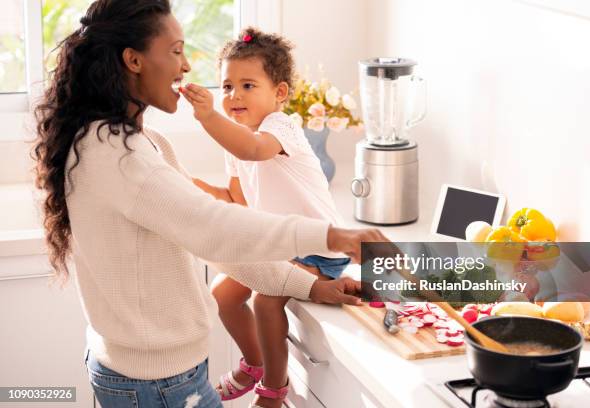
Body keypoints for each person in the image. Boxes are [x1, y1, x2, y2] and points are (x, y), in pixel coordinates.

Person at [31, 1, 387, 407]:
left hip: (158, 378)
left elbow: (215, 237)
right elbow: (217, 228)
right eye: (176, 51)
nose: (185, 67)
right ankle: (271, 382)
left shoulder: (138, 143)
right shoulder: (120, 156)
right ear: (133, 60)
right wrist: (334, 235)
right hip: (156, 385)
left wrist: (312, 286)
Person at [180, 27, 350, 408]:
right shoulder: (236, 138)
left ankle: (274, 389)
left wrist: (209, 117)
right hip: (279, 247)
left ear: (280, 93)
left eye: (247, 85)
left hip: (318, 248)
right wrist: (191, 186)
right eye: (226, 86)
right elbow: (237, 200)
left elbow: (256, 151)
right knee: (221, 296)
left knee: (264, 300)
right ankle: (254, 364)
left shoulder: (279, 126)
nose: (233, 95)